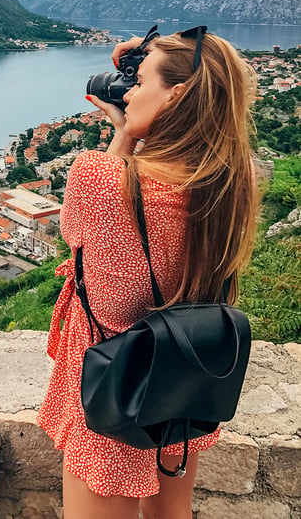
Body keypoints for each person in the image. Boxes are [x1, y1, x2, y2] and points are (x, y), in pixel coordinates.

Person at [37, 29, 258, 519]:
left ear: (176, 95)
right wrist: (157, 58)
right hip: (182, 374)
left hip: (114, 379)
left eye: (138, 82)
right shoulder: (230, 177)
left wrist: (125, 132)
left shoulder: (98, 177)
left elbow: (76, 235)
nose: (129, 91)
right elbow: (215, 76)